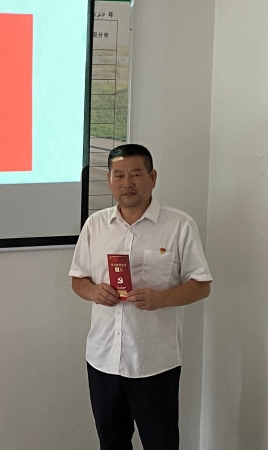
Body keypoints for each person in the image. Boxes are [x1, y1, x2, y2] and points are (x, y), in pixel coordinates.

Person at [69, 144, 212, 450]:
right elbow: (78, 279)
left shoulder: (179, 225)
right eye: (119, 175)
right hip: (103, 360)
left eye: (135, 174)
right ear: (109, 180)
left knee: (161, 443)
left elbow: (201, 285)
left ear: (152, 177)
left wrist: (162, 299)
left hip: (154, 362)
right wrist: (94, 291)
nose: (127, 183)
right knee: (112, 442)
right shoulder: (95, 225)